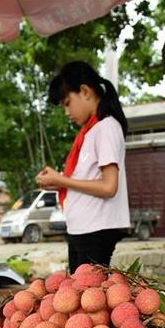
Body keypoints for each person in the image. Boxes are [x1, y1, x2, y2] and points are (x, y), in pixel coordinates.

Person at [35, 61, 130, 272]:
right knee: (78, 297)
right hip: (83, 228)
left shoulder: (106, 127)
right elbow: (87, 179)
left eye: (67, 103)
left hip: (96, 230)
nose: (67, 112)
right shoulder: (90, 132)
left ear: (85, 91)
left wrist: (61, 180)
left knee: (88, 300)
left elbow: (108, 186)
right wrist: (58, 183)